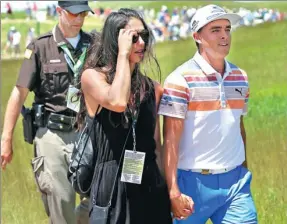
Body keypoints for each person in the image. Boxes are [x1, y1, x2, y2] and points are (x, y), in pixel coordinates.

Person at [158, 4, 258, 224]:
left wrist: (244, 169)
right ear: (197, 36)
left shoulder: (240, 77)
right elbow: (171, 140)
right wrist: (173, 190)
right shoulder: (179, 79)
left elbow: (238, 126)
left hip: (236, 184)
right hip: (191, 184)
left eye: (227, 29)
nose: (224, 36)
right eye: (215, 30)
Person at [1, 1, 94, 224]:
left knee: (102, 197)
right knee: (61, 207)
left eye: (83, 13)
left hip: (88, 133)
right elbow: (19, 93)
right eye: (74, 14)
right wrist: (6, 139)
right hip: (52, 136)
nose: (80, 19)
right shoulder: (39, 47)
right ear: (60, 12)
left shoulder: (94, 45)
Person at [79, 8, 172, 223]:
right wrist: (122, 55)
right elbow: (118, 102)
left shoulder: (153, 88)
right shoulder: (92, 78)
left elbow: (156, 145)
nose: (141, 43)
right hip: (112, 187)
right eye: (133, 37)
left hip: (149, 183)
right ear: (117, 39)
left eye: (144, 36)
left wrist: (169, 189)